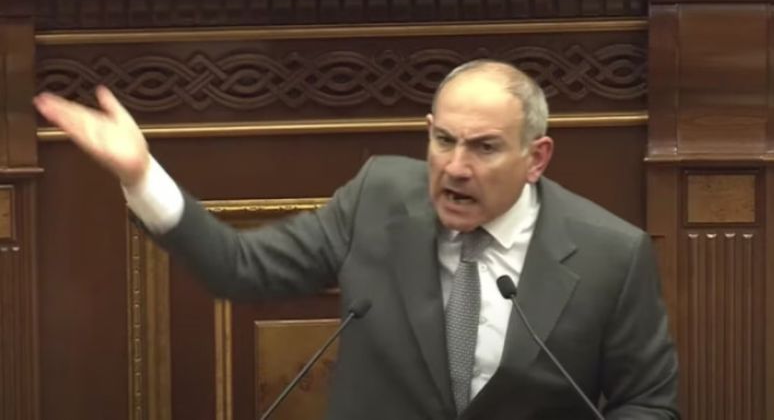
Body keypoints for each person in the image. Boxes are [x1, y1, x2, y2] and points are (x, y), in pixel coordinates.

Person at [34, 60, 680, 420]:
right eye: (443, 140)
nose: (455, 167)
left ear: (536, 158)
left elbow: (647, 403)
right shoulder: (378, 197)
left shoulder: (611, 254)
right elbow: (240, 267)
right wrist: (141, 175)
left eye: (484, 148)